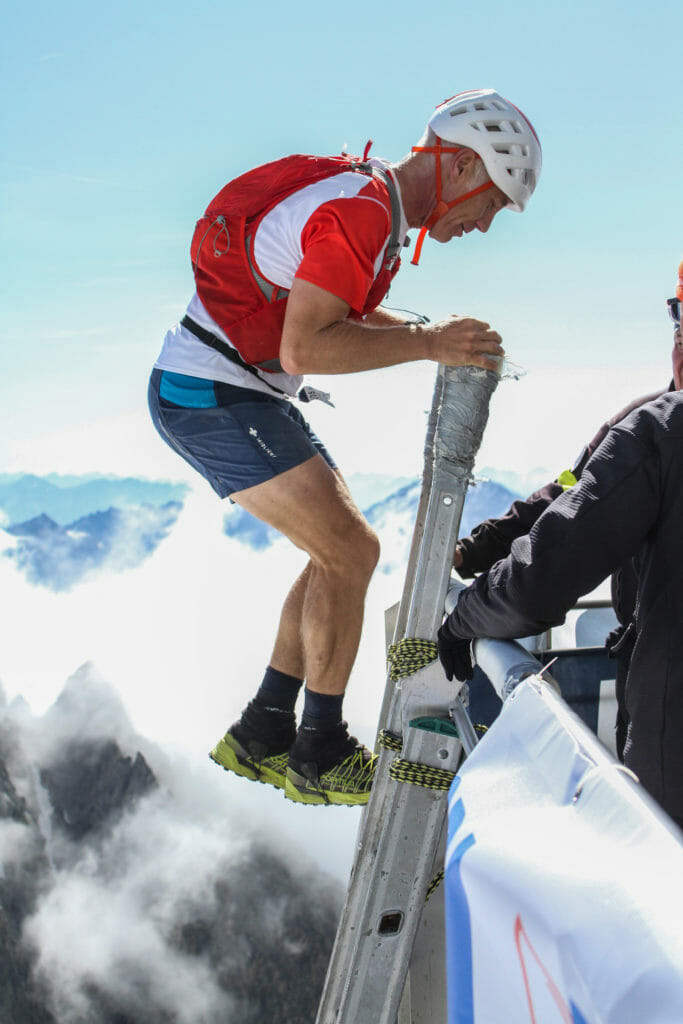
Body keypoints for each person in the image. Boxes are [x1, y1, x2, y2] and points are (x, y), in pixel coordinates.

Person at [148, 89, 542, 806]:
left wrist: (434, 342)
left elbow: (334, 310)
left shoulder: (369, 202)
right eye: (490, 201)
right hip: (211, 393)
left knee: (337, 553)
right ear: (457, 166)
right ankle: (319, 750)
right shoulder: (363, 211)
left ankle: (264, 730)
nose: (484, 224)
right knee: (350, 553)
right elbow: (304, 345)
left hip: (227, 389)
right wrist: (428, 343)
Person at [438, 264, 683, 827]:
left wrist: (462, 617)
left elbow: (544, 571)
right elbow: (570, 488)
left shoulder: (659, 431)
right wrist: (478, 548)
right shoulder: (642, 426)